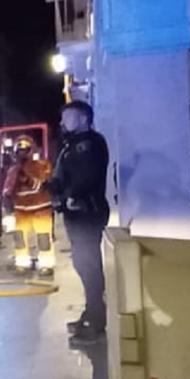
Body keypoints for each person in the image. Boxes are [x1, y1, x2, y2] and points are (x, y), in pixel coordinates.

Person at [47, 100, 110, 345]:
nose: (63, 122)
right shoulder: (70, 146)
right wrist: (51, 188)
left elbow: (86, 177)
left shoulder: (90, 144)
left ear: (84, 117)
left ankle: (96, 322)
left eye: (68, 116)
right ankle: (91, 313)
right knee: (84, 266)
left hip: (86, 213)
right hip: (76, 214)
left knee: (89, 267)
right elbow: (64, 177)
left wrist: (70, 196)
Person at [3, 136, 55, 275]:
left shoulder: (43, 165)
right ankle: (22, 263)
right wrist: (7, 198)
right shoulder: (13, 170)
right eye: (19, 150)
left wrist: (26, 178)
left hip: (41, 208)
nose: (22, 153)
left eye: (25, 150)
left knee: (43, 237)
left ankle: (46, 265)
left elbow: (43, 185)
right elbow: (8, 189)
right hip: (21, 210)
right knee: (19, 238)